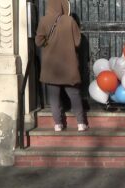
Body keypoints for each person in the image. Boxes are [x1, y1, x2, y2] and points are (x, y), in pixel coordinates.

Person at [35, 0, 88, 132]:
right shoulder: (70, 21)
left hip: (51, 67)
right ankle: (81, 123)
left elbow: (38, 42)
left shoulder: (43, 20)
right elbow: (77, 42)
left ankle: (58, 124)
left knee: (54, 97)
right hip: (68, 66)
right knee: (74, 95)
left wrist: (49, 43)